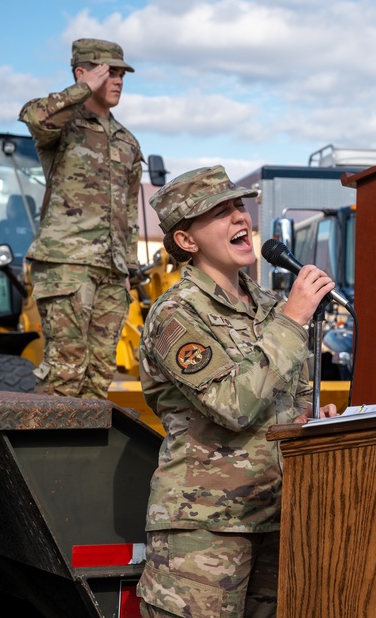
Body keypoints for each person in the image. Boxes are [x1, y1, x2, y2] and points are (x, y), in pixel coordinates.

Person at [136, 165, 339, 617]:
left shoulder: (270, 307)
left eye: (239, 206)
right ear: (186, 240)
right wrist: (294, 319)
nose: (240, 217)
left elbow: (293, 393)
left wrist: (311, 416)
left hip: (278, 517)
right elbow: (233, 405)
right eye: (219, 212)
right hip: (205, 530)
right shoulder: (176, 313)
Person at [19, 38, 143, 399]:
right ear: (81, 72)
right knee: (65, 372)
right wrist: (83, 89)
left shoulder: (127, 142)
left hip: (111, 271)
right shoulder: (63, 125)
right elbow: (34, 117)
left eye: (122, 74)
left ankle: (84, 440)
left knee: (99, 377)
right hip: (66, 263)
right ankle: (48, 439)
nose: (118, 80)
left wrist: (127, 270)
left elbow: (129, 210)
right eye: (109, 72)